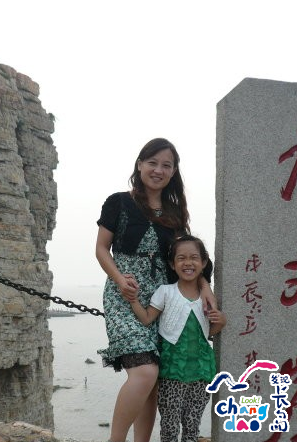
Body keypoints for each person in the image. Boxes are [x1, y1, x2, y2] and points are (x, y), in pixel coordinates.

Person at [95, 138, 216, 442]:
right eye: (152, 163)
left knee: (153, 381)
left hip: (163, 300)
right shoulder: (118, 202)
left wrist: (205, 287)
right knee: (145, 372)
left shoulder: (175, 214)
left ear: (173, 171)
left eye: (166, 165)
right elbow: (101, 249)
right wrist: (120, 279)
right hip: (125, 295)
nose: (158, 170)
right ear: (140, 164)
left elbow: (190, 258)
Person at [127, 235, 226, 442]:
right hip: (172, 371)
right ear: (172, 264)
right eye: (181, 258)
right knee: (169, 427)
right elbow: (147, 318)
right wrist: (134, 300)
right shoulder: (165, 292)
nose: (188, 263)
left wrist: (221, 321)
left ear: (203, 262)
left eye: (194, 258)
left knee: (192, 426)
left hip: (201, 371)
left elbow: (208, 332)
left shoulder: (208, 297)